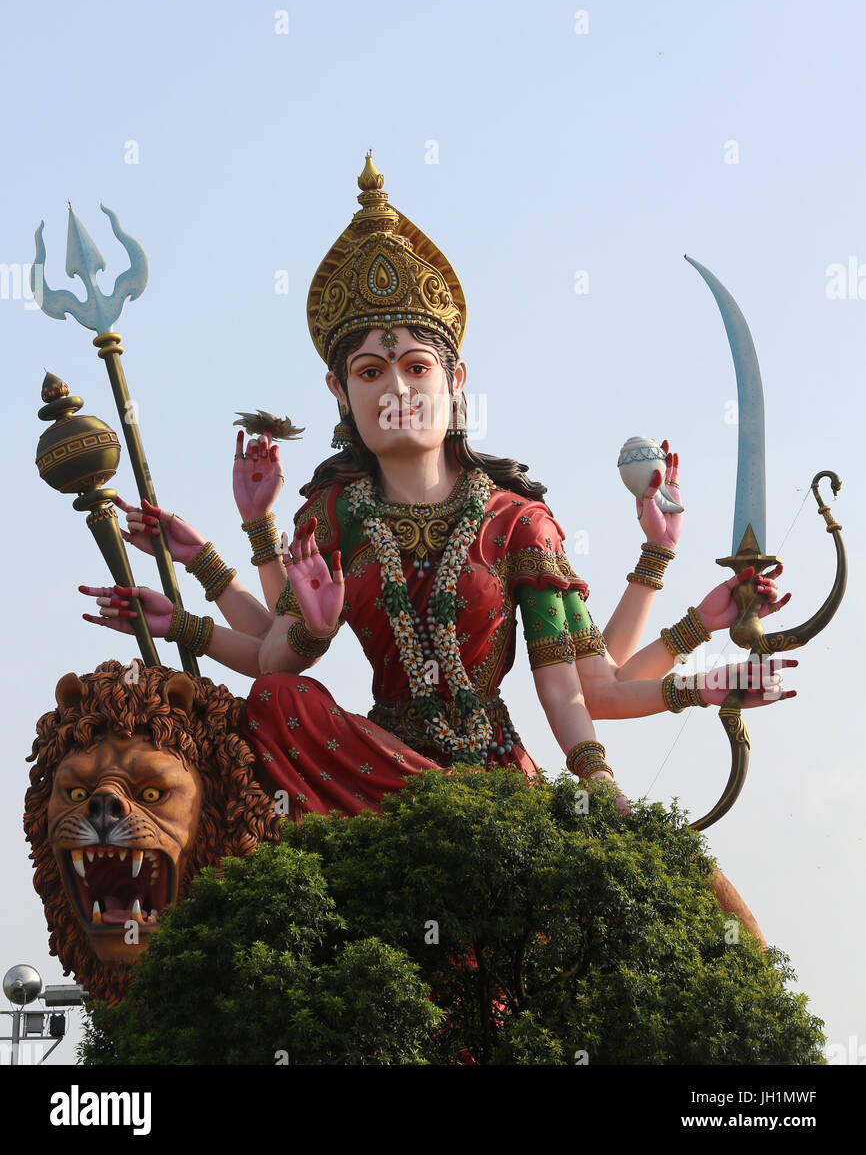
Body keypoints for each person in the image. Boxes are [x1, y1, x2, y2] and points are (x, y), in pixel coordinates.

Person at [81, 155, 793, 831]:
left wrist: (605, 773)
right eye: (369, 372)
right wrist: (290, 618)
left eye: (417, 367)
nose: (396, 390)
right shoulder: (334, 514)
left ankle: (463, 819)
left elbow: (581, 688)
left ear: (455, 381)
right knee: (278, 700)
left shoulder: (518, 522)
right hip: (373, 771)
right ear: (339, 391)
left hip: (491, 775)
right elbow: (277, 657)